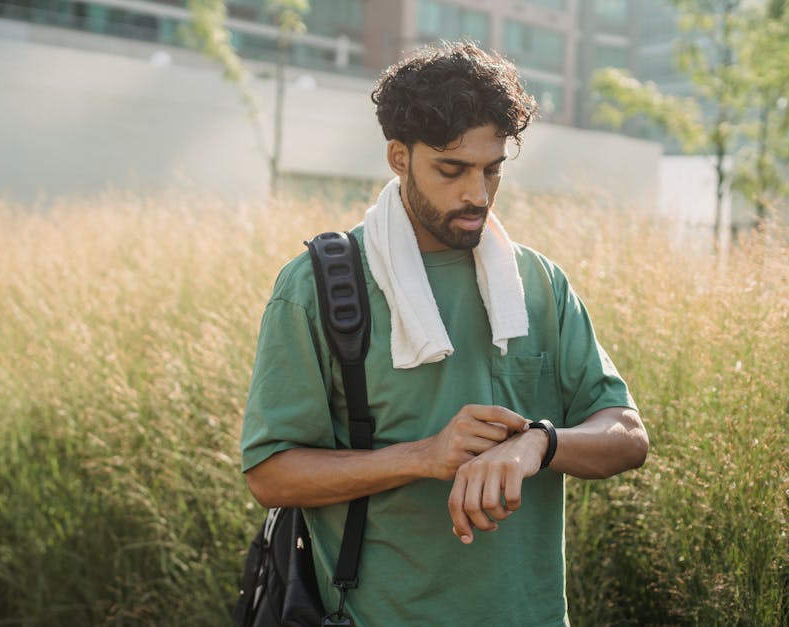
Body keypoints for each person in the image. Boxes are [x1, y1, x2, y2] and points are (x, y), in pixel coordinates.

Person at [240, 42, 649, 626]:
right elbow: (270, 474)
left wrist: (539, 442)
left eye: (492, 170)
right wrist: (424, 456)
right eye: (452, 170)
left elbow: (628, 435)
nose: (477, 195)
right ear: (398, 157)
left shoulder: (538, 282)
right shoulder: (318, 287)